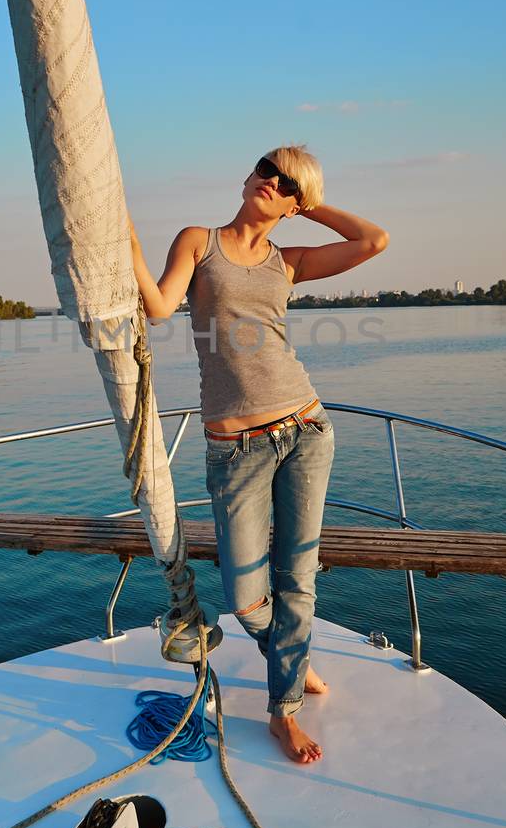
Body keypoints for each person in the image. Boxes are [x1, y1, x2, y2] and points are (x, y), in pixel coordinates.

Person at [128, 147, 389, 765]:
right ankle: (293, 661)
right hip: (234, 446)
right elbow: (160, 307)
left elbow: (374, 240)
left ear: (299, 201)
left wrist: (311, 202)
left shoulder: (288, 262)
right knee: (246, 596)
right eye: (266, 167)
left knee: (297, 579)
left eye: (286, 180)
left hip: (304, 427)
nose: (270, 180)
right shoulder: (200, 241)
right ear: (248, 175)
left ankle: (284, 710)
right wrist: (126, 239)